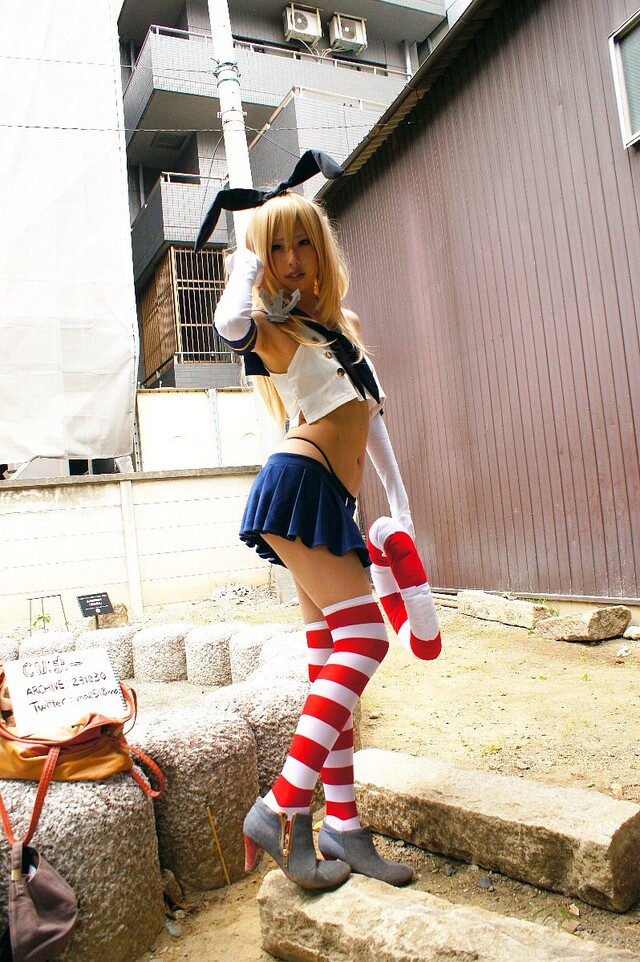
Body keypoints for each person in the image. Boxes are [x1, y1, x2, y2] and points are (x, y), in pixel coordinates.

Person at [204, 157, 441, 892]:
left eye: (301, 242)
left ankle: (343, 826)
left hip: (331, 500)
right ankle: (281, 806)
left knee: (327, 661)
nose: (291, 259)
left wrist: (399, 504)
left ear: (321, 248)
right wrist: (244, 265)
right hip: (299, 482)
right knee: (367, 639)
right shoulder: (274, 327)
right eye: (276, 248)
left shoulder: (345, 327)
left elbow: (372, 421)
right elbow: (228, 324)